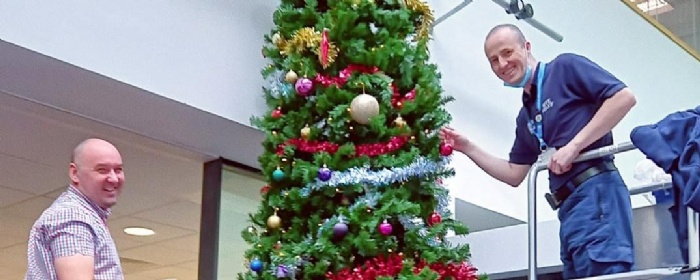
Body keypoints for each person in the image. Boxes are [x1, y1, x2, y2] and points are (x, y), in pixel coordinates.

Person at [439, 24, 637, 279]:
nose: (502, 64)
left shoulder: (565, 68)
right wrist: (467, 147)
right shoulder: (526, 116)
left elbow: (623, 97)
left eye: (507, 52)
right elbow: (514, 174)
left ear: (527, 47)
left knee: (603, 271)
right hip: (568, 207)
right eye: (493, 60)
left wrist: (573, 147)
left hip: (597, 191)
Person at [25, 138, 125, 280]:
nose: (114, 179)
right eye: (102, 170)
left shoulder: (85, 216)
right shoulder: (73, 216)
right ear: (74, 173)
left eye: (118, 170)